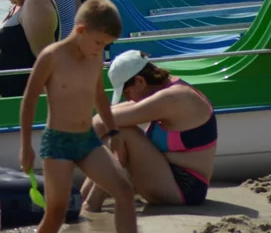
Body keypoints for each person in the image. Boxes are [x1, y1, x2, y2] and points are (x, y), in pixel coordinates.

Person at [20, 0, 136, 233]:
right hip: (58, 143)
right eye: (98, 43)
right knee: (56, 213)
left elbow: (100, 96)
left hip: (88, 140)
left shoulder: (94, 57)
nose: (100, 50)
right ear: (81, 30)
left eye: (105, 45)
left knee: (124, 192)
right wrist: (25, 147)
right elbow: (29, 101)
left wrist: (113, 132)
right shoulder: (52, 56)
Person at [82, 50, 218, 210]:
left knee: (121, 133)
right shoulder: (162, 93)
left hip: (185, 189)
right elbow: (102, 119)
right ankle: (81, 199)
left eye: (127, 92)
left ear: (140, 81)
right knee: (114, 134)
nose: (128, 99)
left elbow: (102, 122)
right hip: (168, 178)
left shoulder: (173, 98)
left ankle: (89, 204)